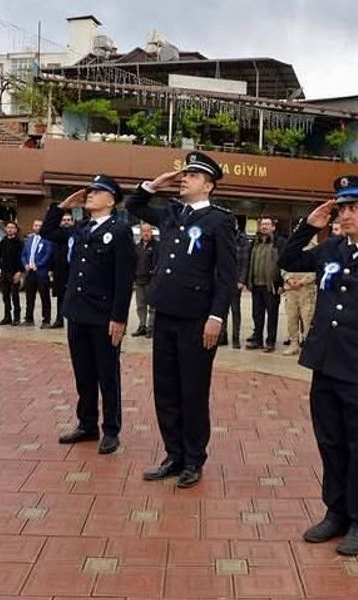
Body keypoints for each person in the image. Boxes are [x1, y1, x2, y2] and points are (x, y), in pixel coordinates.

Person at [278, 175, 358, 556]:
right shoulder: (332, 248)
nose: (346, 215)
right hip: (325, 362)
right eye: (342, 208)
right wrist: (309, 225)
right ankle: (335, 512)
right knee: (330, 442)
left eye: (354, 208)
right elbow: (290, 261)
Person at [126, 151, 237, 489]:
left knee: (192, 390)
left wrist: (216, 316)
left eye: (192, 174)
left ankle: (193, 459)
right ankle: (173, 454)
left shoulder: (220, 221)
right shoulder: (173, 213)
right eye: (184, 173)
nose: (184, 178)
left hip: (197, 319)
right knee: (166, 389)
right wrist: (153, 185)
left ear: (208, 184)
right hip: (166, 314)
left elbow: (227, 274)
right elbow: (135, 207)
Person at [47, 175, 136, 454]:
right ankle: (87, 424)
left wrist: (119, 318)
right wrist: (61, 206)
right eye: (90, 191)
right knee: (83, 373)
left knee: (107, 375)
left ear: (111, 200)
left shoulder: (120, 231)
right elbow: (49, 232)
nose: (90, 195)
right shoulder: (82, 228)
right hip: (77, 312)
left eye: (98, 192)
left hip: (103, 315)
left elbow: (124, 278)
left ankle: (111, 430)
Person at [244, 216, 286, 352]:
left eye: (267, 224)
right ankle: (257, 340)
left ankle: (270, 342)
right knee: (257, 314)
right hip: (256, 285)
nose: (264, 227)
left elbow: (284, 263)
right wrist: (247, 281)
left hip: (272, 286)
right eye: (262, 224)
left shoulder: (279, 243)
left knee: (272, 315)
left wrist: (281, 284)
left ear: (273, 227)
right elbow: (248, 262)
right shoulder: (254, 243)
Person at [281, 234, 318, 356]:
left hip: (306, 290)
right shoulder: (291, 249)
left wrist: (302, 281)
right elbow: (283, 266)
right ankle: (294, 344)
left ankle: (308, 345)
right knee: (292, 318)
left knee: (307, 319)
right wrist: (288, 279)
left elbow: (317, 271)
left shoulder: (316, 250)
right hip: (290, 290)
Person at [220, 225, 250, 348]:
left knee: (235, 311)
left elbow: (245, 262)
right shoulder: (223, 237)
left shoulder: (243, 240)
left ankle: (236, 338)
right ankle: (223, 337)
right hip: (222, 280)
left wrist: (241, 280)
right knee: (222, 310)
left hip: (235, 281)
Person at [21, 219, 54, 328]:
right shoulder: (29, 239)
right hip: (30, 272)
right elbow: (24, 254)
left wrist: (38, 264)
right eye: (35, 225)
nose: (37, 227)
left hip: (41, 272)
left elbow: (48, 254)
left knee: (44, 297)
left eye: (39, 226)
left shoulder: (47, 240)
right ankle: (29, 318)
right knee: (29, 297)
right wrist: (25, 264)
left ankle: (46, 320)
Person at [46, 212, 75, 329]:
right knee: (60, 296)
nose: (66, 222)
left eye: (68, 220)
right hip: (60, 271)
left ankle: (74, 321)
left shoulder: (76, 234)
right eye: (64, 220)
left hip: (73, 270)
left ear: (72, 222)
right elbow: (53, 254)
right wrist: (51, 269)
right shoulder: (57, 236)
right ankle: (59, 319)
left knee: (74, 297)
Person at [0, 221, 24, 326]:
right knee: (5, 296)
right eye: (8, 227)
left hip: (15, 272)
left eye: (12, 227)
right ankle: (7, 317)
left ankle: (17, 318)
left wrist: (20, 272)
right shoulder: (3, 241)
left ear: (16, 229)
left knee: (15, 296)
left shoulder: (19, 242)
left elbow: (22, 258)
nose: (10, 229)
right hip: (4, 272)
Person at [131, 222, 158, 338]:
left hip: (151, 281)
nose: (145, 233)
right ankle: (142, 326)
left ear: (151, 232)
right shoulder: (137, 247)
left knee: (152, 307)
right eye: (143, 231)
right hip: (139, 280)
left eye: (148, 231)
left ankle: (151, 328)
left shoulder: (157, 246)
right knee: (141, 306)